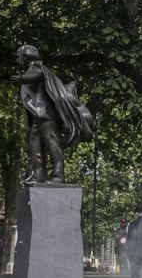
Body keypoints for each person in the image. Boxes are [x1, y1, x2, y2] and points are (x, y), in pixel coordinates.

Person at [11, 45, 93, 184]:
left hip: (47, 116)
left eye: (19, 55)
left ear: (25, 56)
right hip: (38, 116)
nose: (17, 59)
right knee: (34, 145)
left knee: (51, 143)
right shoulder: (32, 69)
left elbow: (37, 75)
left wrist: (22, 78)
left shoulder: (38, 68)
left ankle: (58, 175)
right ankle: (38, 174)